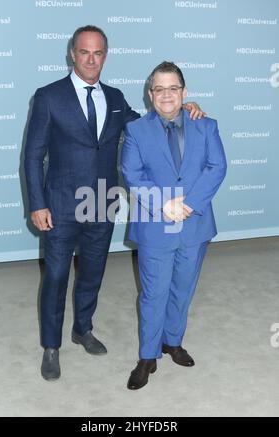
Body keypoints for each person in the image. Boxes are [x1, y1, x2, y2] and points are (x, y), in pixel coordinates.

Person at [25, 26, 205, 381]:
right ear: (72, 54)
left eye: (98, 53)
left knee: (92, 272)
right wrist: (37, 203)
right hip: (60, 204)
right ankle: (51, 346)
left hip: (102, 203)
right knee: (57, 276)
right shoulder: (48, 96)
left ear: (105, 56)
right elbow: (33, 156)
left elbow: (150, 127)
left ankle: (83, 329)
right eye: (84, 52)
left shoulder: (117, 97)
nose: (91, 60)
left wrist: (183, 109)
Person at [121, 61, 227, 390]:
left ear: (184, 92)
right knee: (153, 293)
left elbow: (217, 167)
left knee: (183, 290)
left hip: (194, 224)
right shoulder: (136, 130)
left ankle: (172, 342)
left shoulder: (206, 125)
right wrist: (164, 204)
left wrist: (190, 204)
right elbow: (132, 174)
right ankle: (148, 356)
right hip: (156, 224)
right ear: (149, 93)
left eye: (173, 88)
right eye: (159, 88)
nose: (166, 94)